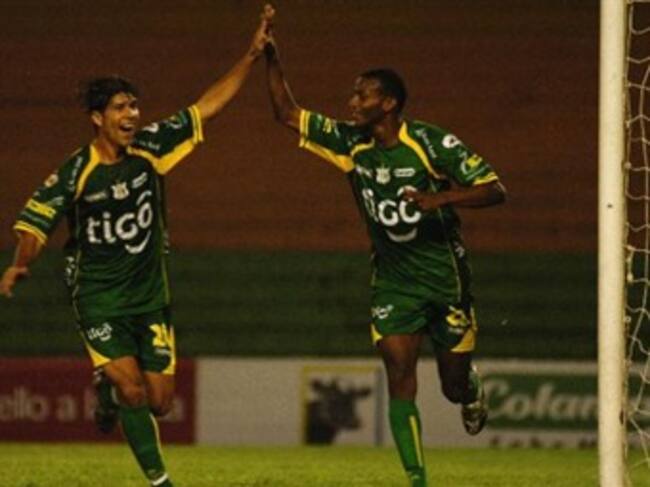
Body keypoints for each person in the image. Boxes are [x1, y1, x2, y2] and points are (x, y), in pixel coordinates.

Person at [0, 8, 273, 487]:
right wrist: (21, 264)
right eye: (121, 108)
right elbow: (36, 223)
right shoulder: (76, 172)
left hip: (149, 297)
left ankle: (106, 392)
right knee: (133, 392)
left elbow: (206, 107)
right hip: (98, 297)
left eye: (134, 106)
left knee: (160, 402)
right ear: (97, 118)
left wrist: (250, 56)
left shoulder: (151, 148)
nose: (132, 115)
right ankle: (160, 480)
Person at [263, 10, 506, 487]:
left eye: (363, 95)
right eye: (354, 94)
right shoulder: (351, 144)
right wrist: (271, 55)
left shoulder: (429, 143)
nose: (352, 102)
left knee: (452, 386)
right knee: (399, 375)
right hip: (394, 283)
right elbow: (287, 113)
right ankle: (417, 479)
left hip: (445, 279)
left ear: (389, 103)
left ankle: (471, 387)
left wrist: (440, 198)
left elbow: (496, 189)